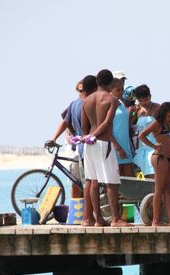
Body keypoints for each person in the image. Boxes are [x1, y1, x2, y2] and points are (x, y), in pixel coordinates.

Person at [81, 69, 129, 227]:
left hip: (89, 144)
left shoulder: (87, 101)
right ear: (111, 83)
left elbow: (84, 126)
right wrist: (95, 135)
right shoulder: (111, 100)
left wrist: (88, 136)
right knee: (112, 183)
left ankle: (98, 219)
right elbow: (107, 123)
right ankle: (116, 219)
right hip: (103, 143)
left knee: (93, 182)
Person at [48, 75, 97, 198]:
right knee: (90, 183)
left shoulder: (74, 104)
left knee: (81, 183)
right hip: (90, 147)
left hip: (79, 148)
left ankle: (78, 213)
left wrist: (55, 138)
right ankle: (90, 214)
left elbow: (65, 121)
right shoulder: (88, 104)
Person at [138, 102, 170, 226]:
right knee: (159, 190)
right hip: (159, 158)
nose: (169, 118)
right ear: (163, 113)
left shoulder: (167, 124)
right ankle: (156, 220)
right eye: (168, 116)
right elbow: (142, 135)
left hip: (167, 158)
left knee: (168, 190)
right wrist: (154, 146)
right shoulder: (157, 123)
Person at [132, 85, 160, 177]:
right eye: (140, 100)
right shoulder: (138, 110)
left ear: (150, 96)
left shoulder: (157, 108)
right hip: (142, 148)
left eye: (146, 99)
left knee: (155, 176)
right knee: (145, 177)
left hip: (154, 146)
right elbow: (132, 126)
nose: (143, 102)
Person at [110, 78, 135, 177]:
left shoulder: (120, 103)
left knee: (130, 183)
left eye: (122, 89)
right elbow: (108, 129)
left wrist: (131, 116)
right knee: (116, 184)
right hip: (116, 149)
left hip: (125, 147)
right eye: (118, 90)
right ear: (110, 90)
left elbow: (124, 125)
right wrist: (118, 148)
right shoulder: (109, 104)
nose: (121, 92)